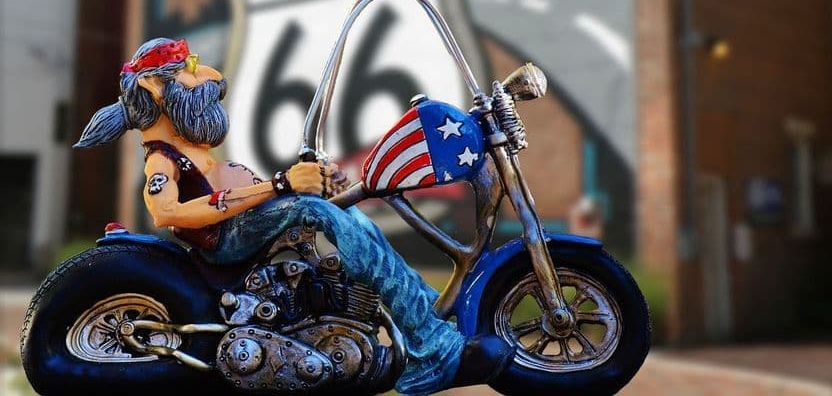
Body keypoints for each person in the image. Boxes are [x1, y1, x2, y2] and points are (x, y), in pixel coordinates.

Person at [75, 37, 512, 395]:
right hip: (227, 241)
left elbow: (253, 196)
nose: (209, 76)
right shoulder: (162, 159)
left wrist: (308, 183)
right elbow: (165, 212)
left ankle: (421, 324)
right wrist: (283, 186)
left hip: (246, 228)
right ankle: (431, 351)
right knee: (310, 208)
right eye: (190, 67)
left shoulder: (195, 152)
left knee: (348, 214)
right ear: (155, 87)